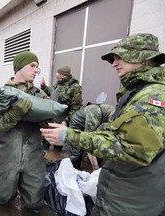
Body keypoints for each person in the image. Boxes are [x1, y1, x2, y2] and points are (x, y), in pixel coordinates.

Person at [40, 33, 165, 215]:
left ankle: (72, 166)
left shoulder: (152, 97)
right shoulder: (138, 91)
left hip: (130, 196)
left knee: (74, 153)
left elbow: (132, 149)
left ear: (143, 57)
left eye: (120, 57)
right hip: (128, 188)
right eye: (113, 58)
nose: (114, 63)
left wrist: (72, 136)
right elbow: (118, 132)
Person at [0, 51, 47, 214]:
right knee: (3, 198)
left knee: (34, 202)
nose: (36, 70)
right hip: (7, 156)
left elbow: (49, 126)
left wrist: (49, 116)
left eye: (37, 66)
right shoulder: (2, 93)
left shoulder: (39, 94)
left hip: (33, 156)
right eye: (32, 65)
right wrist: (15, 113)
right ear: (20, 67)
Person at [40, 65, 82, 151]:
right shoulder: (58, 84)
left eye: (58, 73)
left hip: (61, 119)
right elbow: (50, 92)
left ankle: (56, 158)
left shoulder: (74, 87)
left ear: (63, 75)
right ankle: (44, 156)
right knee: (45, 139)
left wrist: (66, 120)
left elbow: (75, 108)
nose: (56, 74)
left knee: (57, 143)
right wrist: (43, 85)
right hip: (51, 117)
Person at [68, 103, 115, 170]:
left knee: (99, 145)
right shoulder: (94, 114)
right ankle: (72, 170)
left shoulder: (114, 112)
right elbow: (87, 141)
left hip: (93, 122)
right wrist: (95, 167)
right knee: (77, 151)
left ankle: (90, 161)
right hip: (77, 123)